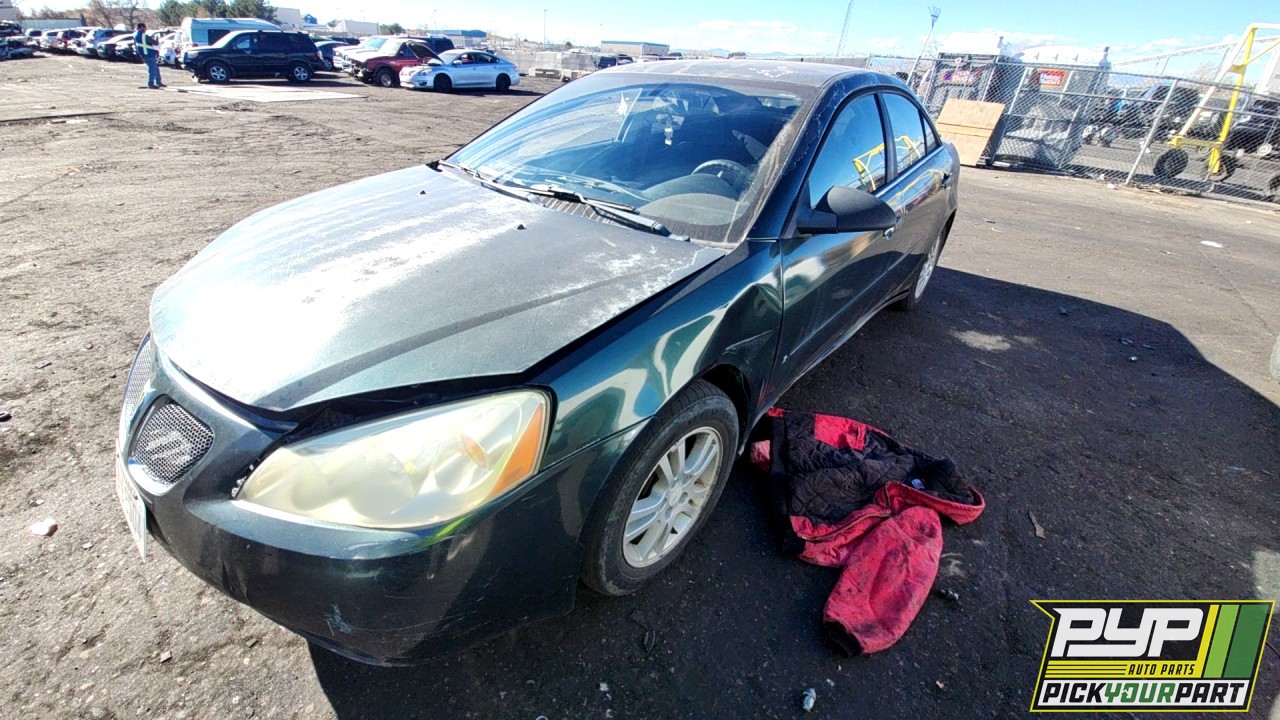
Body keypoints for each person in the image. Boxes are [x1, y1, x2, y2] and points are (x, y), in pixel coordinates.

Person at [134, 22, 163, 89]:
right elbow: (155, 43)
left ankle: (158, 82)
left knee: (155, 68)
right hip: (148, 54)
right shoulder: (144, 36)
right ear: (142, 27)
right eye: (145, 28)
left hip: (144, 54)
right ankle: (151, 84)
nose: (145, 29)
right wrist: (157, 39)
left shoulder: (136, 35)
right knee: (152, 69)